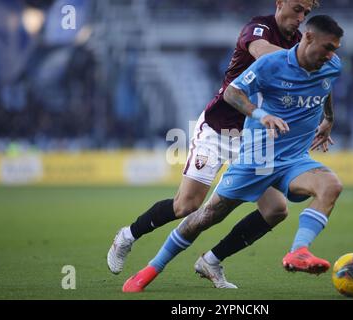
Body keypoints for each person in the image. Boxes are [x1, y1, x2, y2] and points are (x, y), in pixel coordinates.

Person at [107, 0, 332, 289]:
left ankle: (212, 260)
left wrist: (327, 117)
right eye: (297, 9)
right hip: (220, 128)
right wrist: (305, 58)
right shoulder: (259, 29)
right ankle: (127, 235)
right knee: (187, 205)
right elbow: (264, 55)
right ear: (280, 3)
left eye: (306, 13)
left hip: (256, 139)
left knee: (276, 210)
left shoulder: (302, 44)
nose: (301, 18)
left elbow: (320, 78)